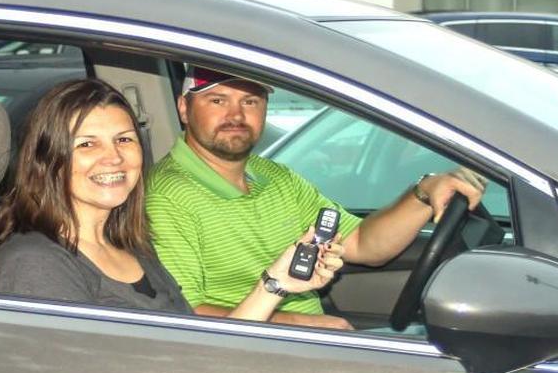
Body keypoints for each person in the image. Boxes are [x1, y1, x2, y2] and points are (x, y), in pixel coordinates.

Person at [146, 66, 486, 329]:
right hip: (250, 354)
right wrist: (301, 325)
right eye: (218, 100)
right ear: (184, 108)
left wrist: (424, 192)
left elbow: (364, 243)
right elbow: (186, 316)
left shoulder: (274, 176)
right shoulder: (167, 197)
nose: (236, 115)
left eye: (250, 101)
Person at [0, 79, 344, 320]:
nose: (113, 158)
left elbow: (200, 347)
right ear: (47, 159)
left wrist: (277, 283)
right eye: (87, 144)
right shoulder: (34, 263)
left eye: (124, 140)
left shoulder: (132, 248)